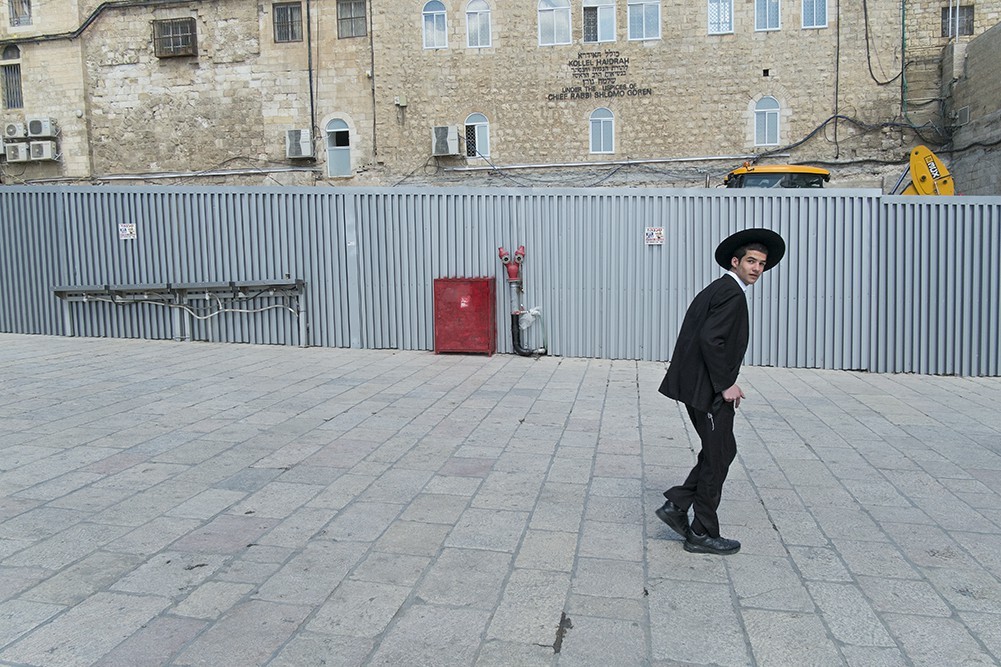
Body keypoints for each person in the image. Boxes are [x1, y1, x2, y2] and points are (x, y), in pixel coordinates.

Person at [655, 228, 786, 555]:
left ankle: (677, 505)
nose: (757, 268)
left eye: (762, 263)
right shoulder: (731, 293)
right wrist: (726, 384)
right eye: (751, 261)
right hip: (709, 390)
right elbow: (711, 340)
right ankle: (701, 532)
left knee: (722, 451)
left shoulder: (721, 288)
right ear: (735, 261)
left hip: (699, 386)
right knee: (718, 457)